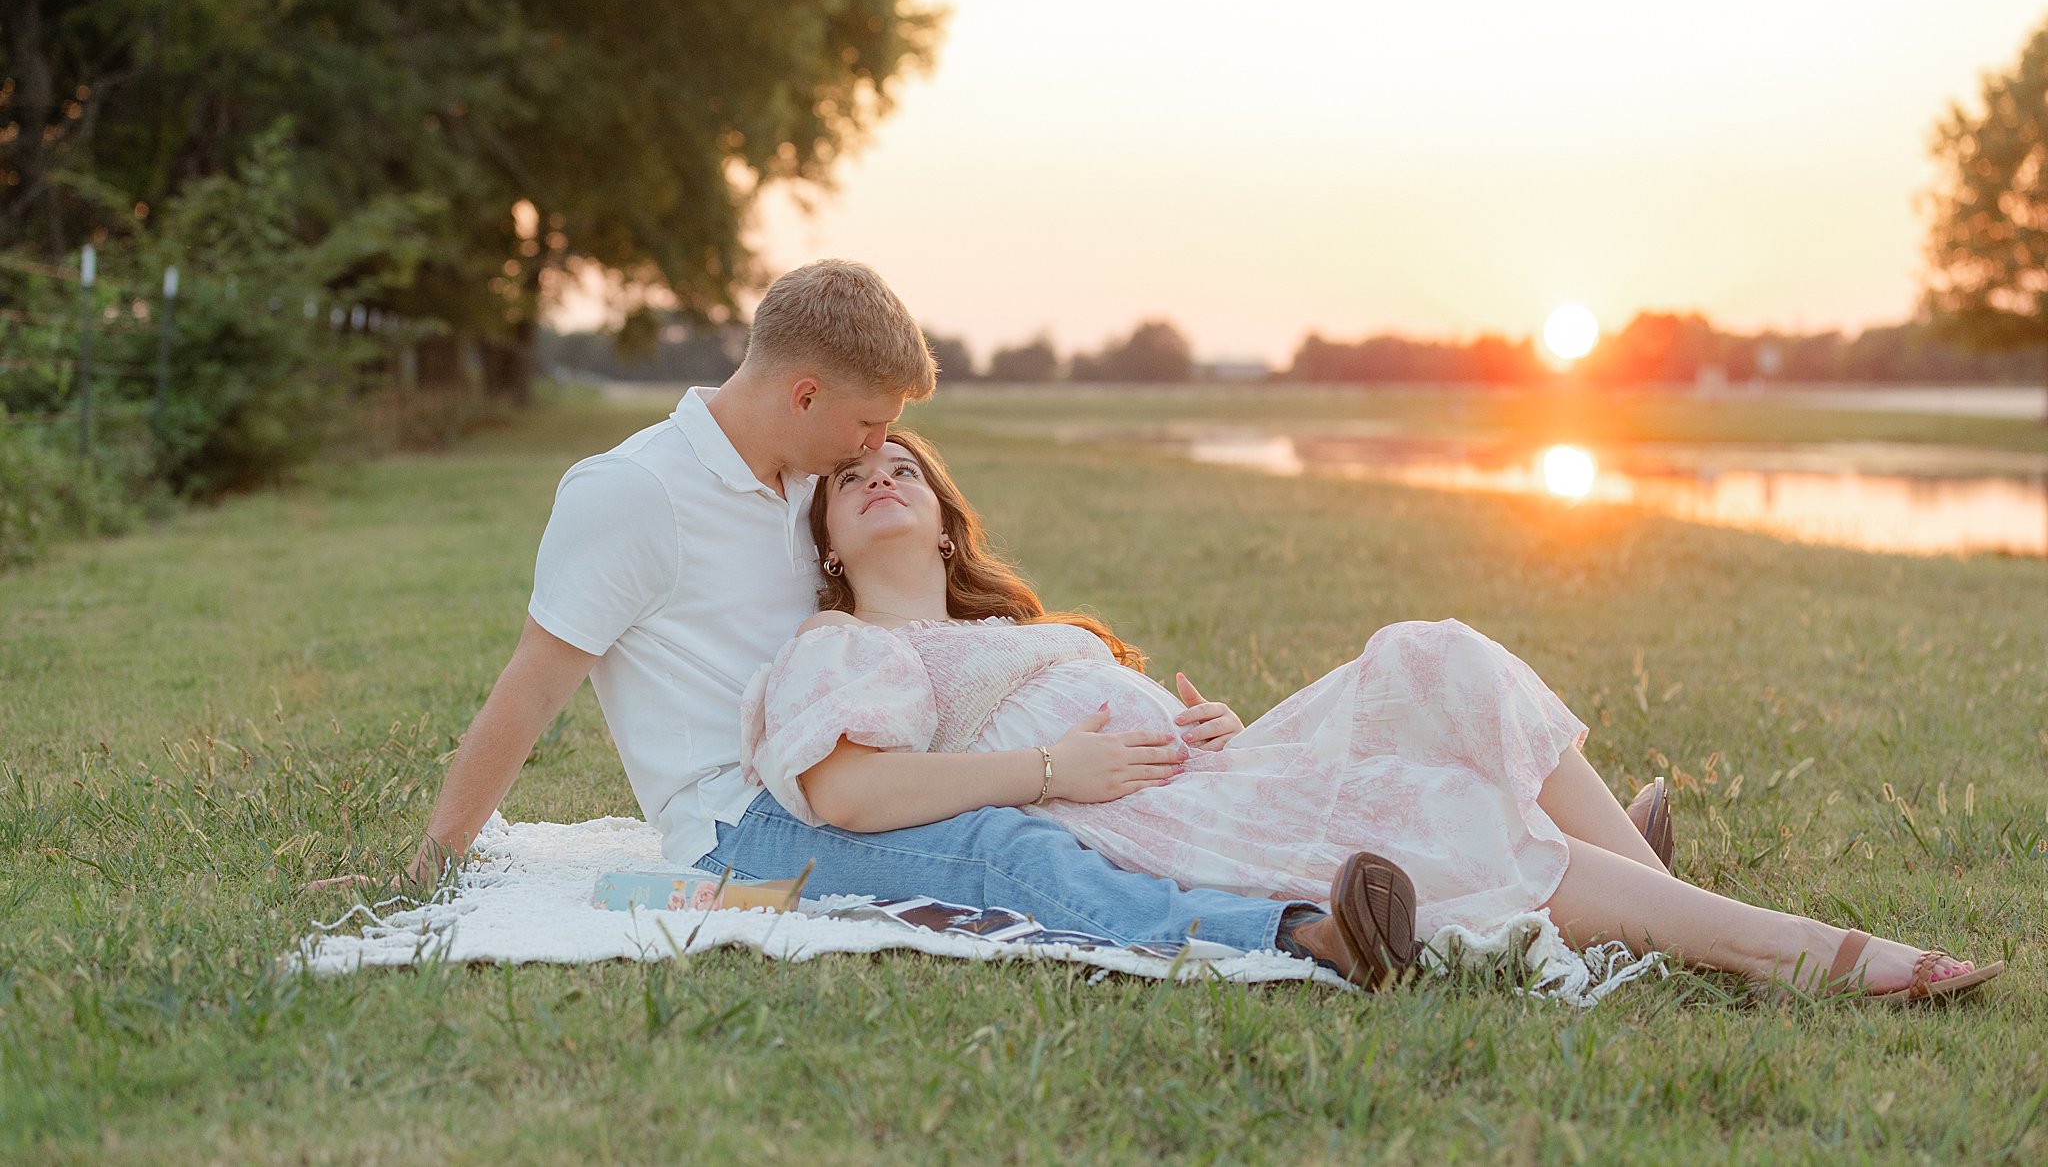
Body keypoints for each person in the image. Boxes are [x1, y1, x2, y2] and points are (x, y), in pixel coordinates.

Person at [315, 260, 1410, 986]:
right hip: (754, 821)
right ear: (801, 396)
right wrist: (429, 868)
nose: (874, 448)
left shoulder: (805, 480)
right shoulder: (629, 497)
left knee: (1105, 805)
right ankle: (1293, 941)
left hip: (889, 751)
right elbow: (527, 695)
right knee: (1000, 846)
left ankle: (1377, 867)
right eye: (869, 422)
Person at [739, 428, 2006, 1004]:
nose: (883, 475)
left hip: (1200, 776)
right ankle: (1777, 945)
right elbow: (847, 797)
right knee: (1441, 807)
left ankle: (1634, 904)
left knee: (1432, 654)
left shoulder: (1014, 630)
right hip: (1139, 820)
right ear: (830, 543)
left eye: (902, 464)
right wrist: (1052, 766)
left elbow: (1132, 721)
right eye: (853, 479)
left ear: (944, 513)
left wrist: (1204, 729)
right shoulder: (846, 647)